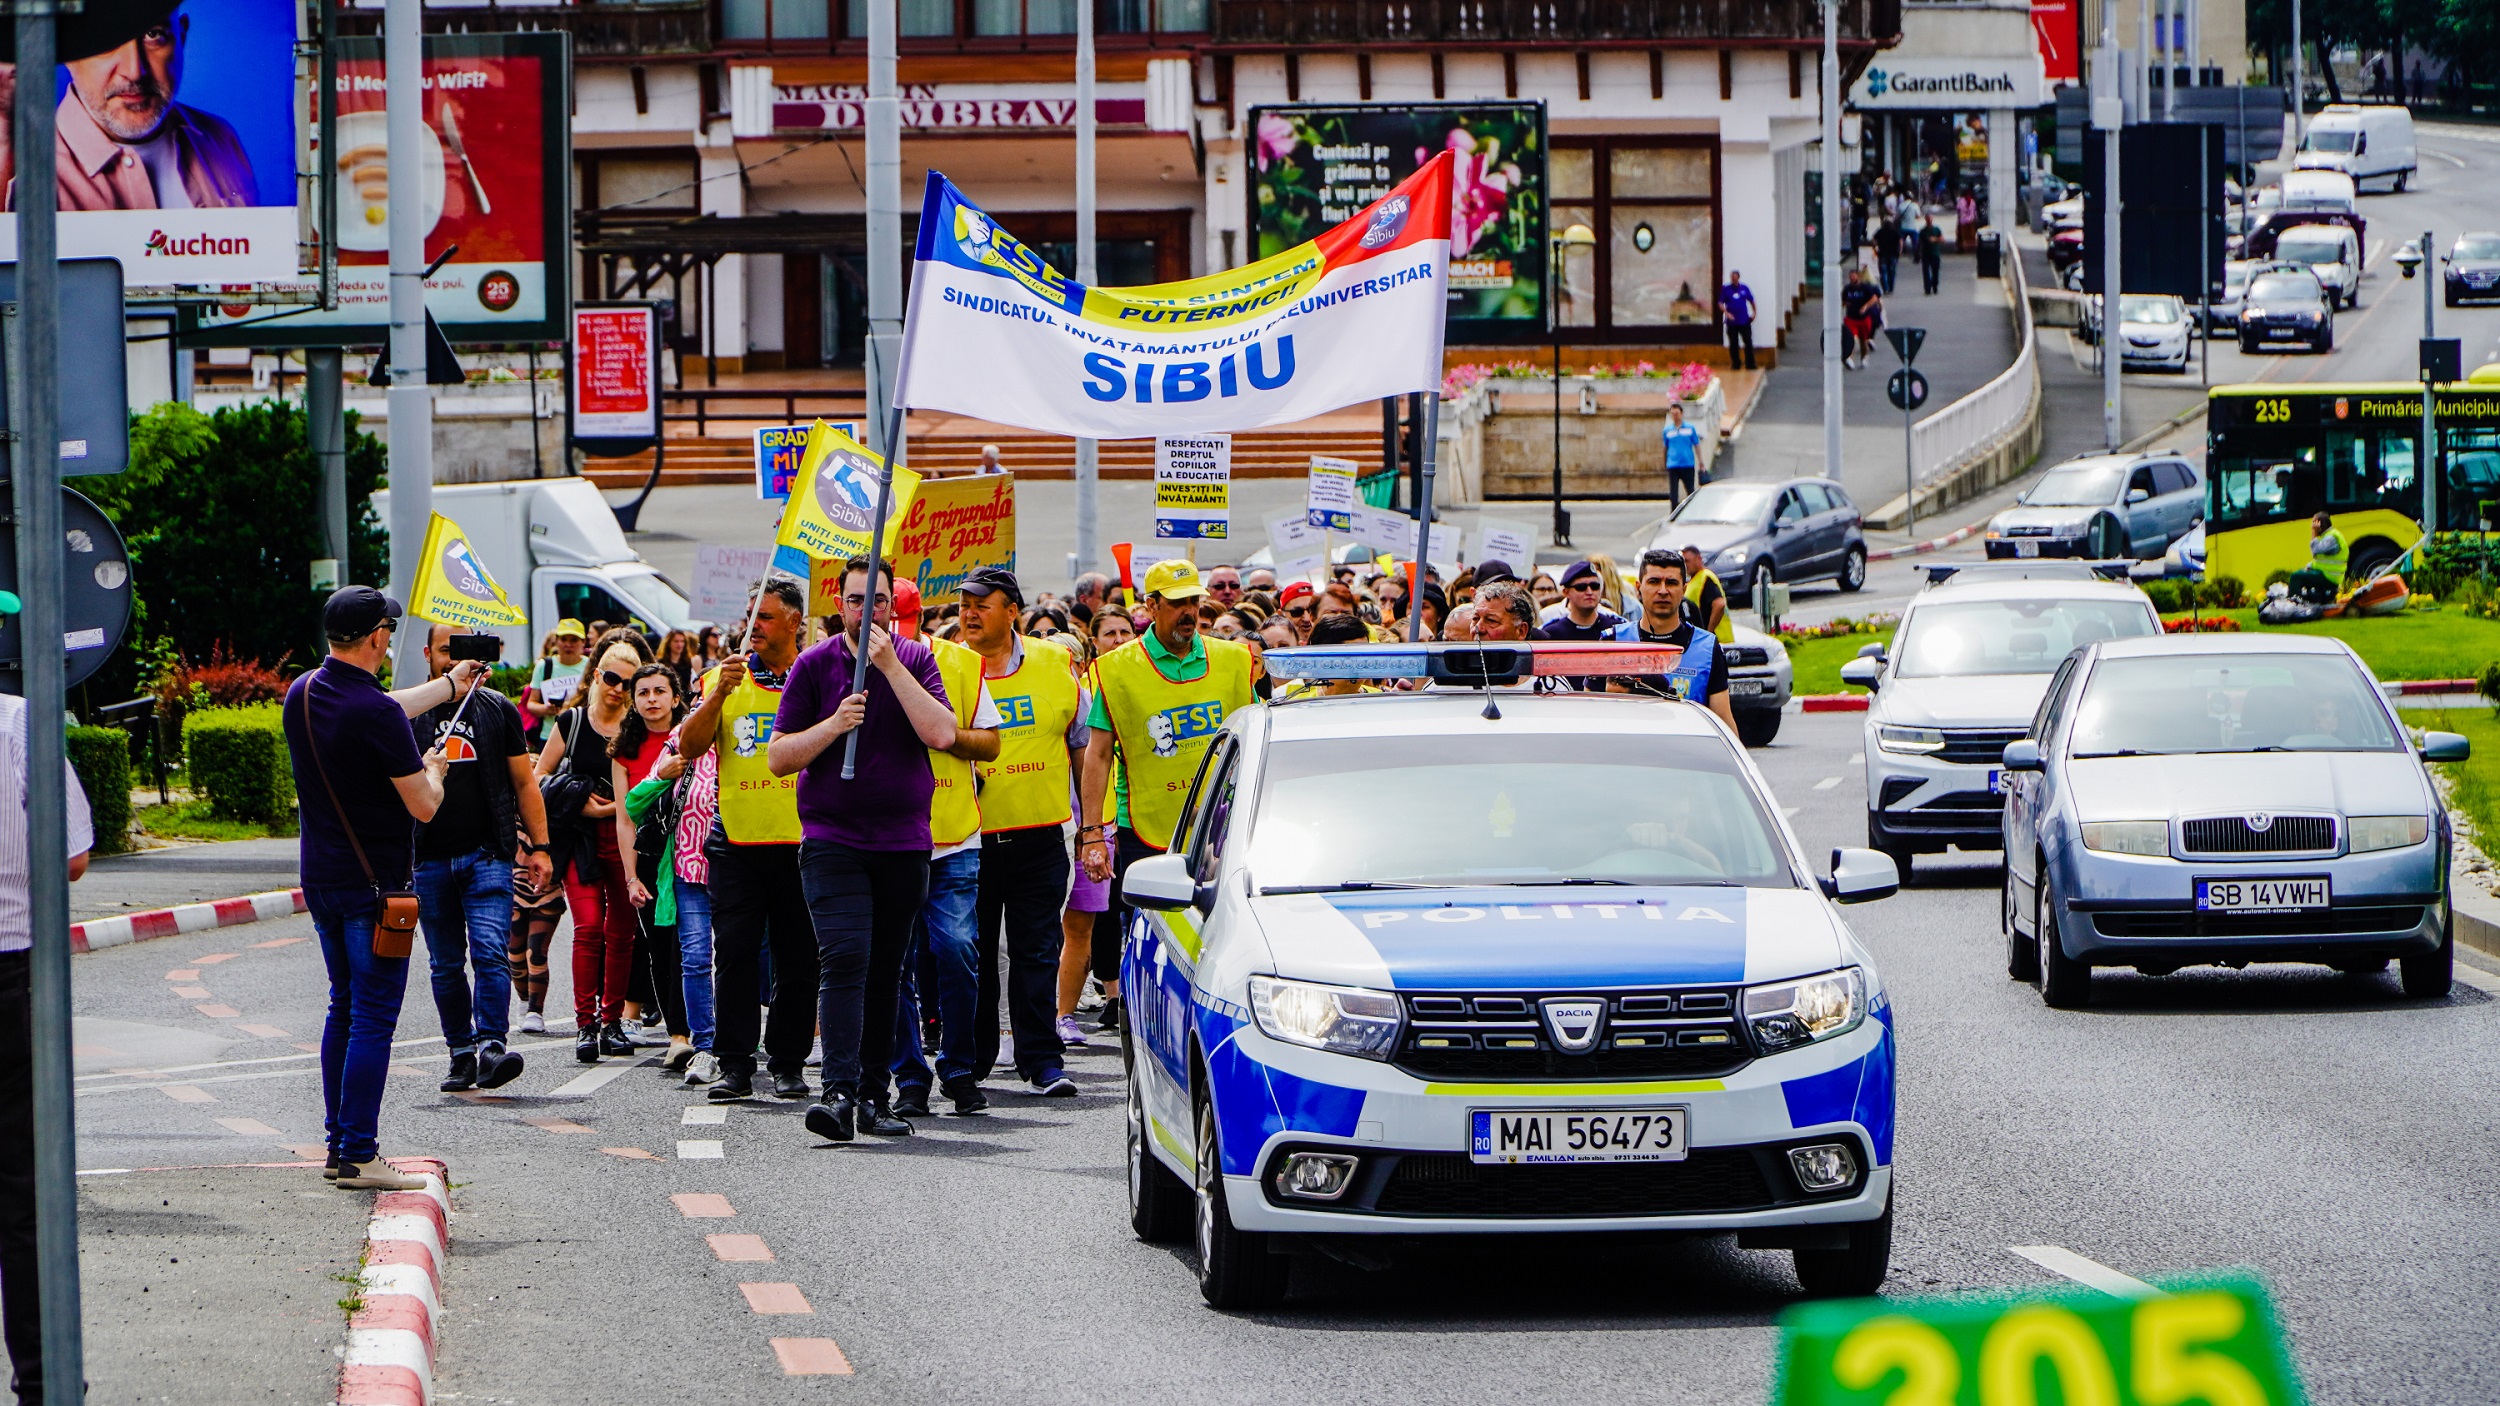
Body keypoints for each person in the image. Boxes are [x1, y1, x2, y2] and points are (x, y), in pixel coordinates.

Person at [768, 557, 965, 1144]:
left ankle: (875, 1097)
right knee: (846, 959)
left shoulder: (916, 659)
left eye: (877, 601)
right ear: (840, 604)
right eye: (856, 601)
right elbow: (779, 757)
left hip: (903, 842)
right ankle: (837, 1092)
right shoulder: (812, 666)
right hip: (833, 840)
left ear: (891, 606)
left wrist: (888, 667)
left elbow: (942, 734)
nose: (866, 612)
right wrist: (832, 725)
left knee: (887, 971)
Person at [283, 587, 473, 1192]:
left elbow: (382, 704)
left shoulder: (304, 692)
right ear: (375, 638)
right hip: (376, 889)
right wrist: (437, 766)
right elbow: (423, 806)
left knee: (343, 1004)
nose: (390, 640)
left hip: (324, 879)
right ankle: (361, 1154)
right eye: (388, 631)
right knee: (373, 1016)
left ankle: (339, 1142)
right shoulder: (380, 715)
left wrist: (449, 685)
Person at [1080, 560, 1255, 1023]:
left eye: (1193, 602)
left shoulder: (1234, 658)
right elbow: (1097, 754)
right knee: (1149, 940)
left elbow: (1258, 739)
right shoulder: (1114, 670)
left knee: (1220, 933)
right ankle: (1148, 1025)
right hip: (1148, 828)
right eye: (1176, 603)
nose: (1188, 612)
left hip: (1223, 826)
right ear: (1150, 606)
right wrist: (1092, 834)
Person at [0, 593, 93, 1406]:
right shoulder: (22, 725)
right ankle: (43, 1382)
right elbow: (71, 858)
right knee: (26, 1191)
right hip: (15, 976)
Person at [679, 578, 816, 1103]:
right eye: (750, 615)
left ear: (794, 621)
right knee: (734, 955)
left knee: (798, 960)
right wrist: (719, 693)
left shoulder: (817, 674)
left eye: (766, 616)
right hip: (736, 841)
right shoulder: (723, 677)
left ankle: (788, 1063)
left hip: (805, 843)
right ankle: (735, 1063)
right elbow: (690, 746)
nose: (753, 625)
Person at [955, 566, 1089, 1096]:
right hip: (970, 840)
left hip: (1040, 837)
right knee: (977, 953)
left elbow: (1082, 744)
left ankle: (1042, 1060)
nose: (969, 613)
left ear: (1012, 610)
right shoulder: (949, 666)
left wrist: (1094, 826)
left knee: (1036, 949)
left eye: (981, 604)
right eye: (965, 604)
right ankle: (976, 1058)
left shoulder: (1055, 664)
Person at [412, 625, 550, 1094]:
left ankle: (491, 1044)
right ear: (428, 654)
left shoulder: (496, 710)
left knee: (489, 951)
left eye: (464, 653)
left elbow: (524, 783)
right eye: (447, 652)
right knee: (445, 963)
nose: (456, 662)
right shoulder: (409, 713)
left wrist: (541, 846)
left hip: (487, 853)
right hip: (427, 859)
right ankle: (460, 1052)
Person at [886, 578, 1004, 1116]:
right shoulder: (852, 664)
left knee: (957, 953)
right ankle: (909, 1075)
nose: (896, 641)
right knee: (896, 966)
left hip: (953, 838)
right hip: (885, 841)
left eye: (904, 628)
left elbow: (991, 743)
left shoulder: (960, 664)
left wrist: (946, 734)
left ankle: (958, 1068)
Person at [2, 4, 259, 213]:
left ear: (181, 37)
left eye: (153, 35)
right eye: (105, 40)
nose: (134, 71)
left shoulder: (220, 138)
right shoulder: (23, 178)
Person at [535, 633, 649, 1063]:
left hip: (624, 841)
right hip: (580, 840)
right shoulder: (573, 721)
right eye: (613, 678)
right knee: (587, 927)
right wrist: (577, 799)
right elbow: (539, 775)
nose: (619, 689)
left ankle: (612, 1021)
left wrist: (617, 810)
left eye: (629, 682)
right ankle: (586, 1025)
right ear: (597, 675)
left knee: (621, 933)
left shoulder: (637, 727)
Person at [613, 664, 694, 1071]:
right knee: (662, 951)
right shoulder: (624, 749)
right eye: (643, 692)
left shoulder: (694, 736)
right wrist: (630, 877)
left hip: (701, 851)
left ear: (676, 698)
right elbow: (625, 819)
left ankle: (716, 1031)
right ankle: (678, 1036)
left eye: (660, 691)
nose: (652, 699)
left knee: (703, 949)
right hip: (650, 858)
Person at [1614, 550, 1736, 726]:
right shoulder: (1614, 641)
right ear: (1638, 588)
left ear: (1683, 589)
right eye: (1654, 582)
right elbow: (1593, 716)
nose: (1663, 591)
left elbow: (1723, 721)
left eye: (1671, 583)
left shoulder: (1707, 648)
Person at [1538, 559, 1636, 646]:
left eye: (1594, 586)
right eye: (1581, 587)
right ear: (1566, 592)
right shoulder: (1550, 633)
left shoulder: (1618, 629)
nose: (1589, 592)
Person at [521, 619, 587, 748]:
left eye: (574, 640)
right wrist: (546, 709)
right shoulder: (544, 666)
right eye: (564, 639)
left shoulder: (590, 666)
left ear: (583, 642)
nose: (568, 644)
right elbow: (531, 703)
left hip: (580, 735)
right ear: (556, 641)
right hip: (549, 736)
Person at [1679, 544, 1732, 642]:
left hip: (1718, 639)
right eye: (1683, 562)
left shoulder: (1705, 577)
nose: (1685, 565)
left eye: (1687, 561)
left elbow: (1720, 604)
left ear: (1698, 559)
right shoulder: (1695, 579)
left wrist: (1708, 632)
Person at [2290, 511, 2346, 602]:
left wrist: (2314, 532)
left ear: (2319, 524)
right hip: (2326, 573)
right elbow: (2321, 560)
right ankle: (2307, 601)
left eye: (2313, 523)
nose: (2311, 527)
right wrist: (2310, 566)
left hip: (2330, 576)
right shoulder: (2328, 536)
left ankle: (2293, 604)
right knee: (2302, 573)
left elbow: (2316, 551)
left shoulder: (2331, 537)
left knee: (2295, 577)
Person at [1662, 403, 1704, 508]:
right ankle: (1674, 514)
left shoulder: (1690, 428)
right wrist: (1665, 462)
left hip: (1687, 464)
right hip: (1673, 464)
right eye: (1673, 414)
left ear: (1681, 414)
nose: (1675, 416)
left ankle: (1692, 511)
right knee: (1673, 493)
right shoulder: (1667, 431)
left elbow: (1697, 445)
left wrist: (1701, 461)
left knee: (1690, 491)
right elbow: (1665, 448)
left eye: (1677, 413)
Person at [1841, 267, 1882, 369]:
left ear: (1858, 276)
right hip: (1851, 318)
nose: (1852, 278)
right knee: (1851, 339)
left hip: (1863, 318)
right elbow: (1843, 300)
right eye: (1850, 276)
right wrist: (1845, 304)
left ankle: (1864, 357)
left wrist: (1865, 306)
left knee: (1863, 340)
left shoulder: (1865, 288)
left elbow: (1874, 298)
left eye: (1854, 276)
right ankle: (1850, 358)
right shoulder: (1847, 289)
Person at [1719, 270, 1759, 370]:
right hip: (1732, 322)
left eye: (1735, 278)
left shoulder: (1744, 288)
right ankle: (1736, 363)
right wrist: (1727, 313)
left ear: (1738, 278)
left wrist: (1754, 313)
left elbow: (1751, 300)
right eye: (1732, 278)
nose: (1734, 279)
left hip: (1744, 320)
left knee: (1748, 342)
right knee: (1733, 343)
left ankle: (1750, 363)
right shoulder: (1726, 289)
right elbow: (1720, 303)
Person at [1874, 214, 1902, 293]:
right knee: (1892, 271)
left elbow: (1874, 241)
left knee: (1883, 272)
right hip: (1893, 254)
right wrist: (1900, 251)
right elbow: (1900, 241)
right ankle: (1891, 287)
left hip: (1882, 254)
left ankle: (1885, 288)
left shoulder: (1880, 231)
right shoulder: (1895, 231)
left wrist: (1875, 249)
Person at [1918, 215, 1945, 295]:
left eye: (1930, 219)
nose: (1929, 221)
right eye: (1928, 219)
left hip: (1935, 253)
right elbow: (1920, 242)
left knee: (1935, 271)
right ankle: (1927, 288)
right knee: (1926, 272)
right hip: (1925, 254)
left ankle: (1935, 285)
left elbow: (1942, 239)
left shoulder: (1936, 229)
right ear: (1926, 220)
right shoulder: (1923, 231)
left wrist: (1935, 239)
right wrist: (1918, 253)